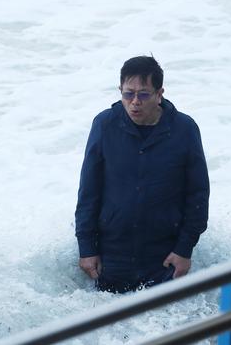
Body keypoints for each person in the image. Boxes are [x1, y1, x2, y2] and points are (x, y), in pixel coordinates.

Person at [75, 56, 209, 293]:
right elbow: (89, 191)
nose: (134, 102)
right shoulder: (104, 125)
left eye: (144, 94)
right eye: (128, 94)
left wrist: (184, 250)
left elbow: (198, 195)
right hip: (112, 254)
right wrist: (87, 248)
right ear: (120, 91)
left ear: (160, 94)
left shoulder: (185, 129)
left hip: (164, 258)